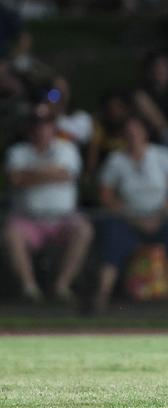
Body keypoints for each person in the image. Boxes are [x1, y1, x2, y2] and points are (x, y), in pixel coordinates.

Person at [94, 115, 168, 310]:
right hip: (128, 219)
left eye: (137, 131)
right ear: (123, 136)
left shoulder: (162, 155)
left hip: (161, 218)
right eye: (128, 132)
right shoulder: (116, 160)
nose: (133, 135)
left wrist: (165, 213)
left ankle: (167, 291)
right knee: (112, 235)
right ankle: (101, 295)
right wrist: (128, 215)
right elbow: (105, 194)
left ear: (145, 133)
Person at [3, 104, 92, 302]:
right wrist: (50, 172)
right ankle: (30, 289)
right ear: (29, 127)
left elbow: (66, 175)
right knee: (10, 233)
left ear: (53, 127)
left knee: (83, 230)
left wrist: (30, 174)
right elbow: (16, 180)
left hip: (63, 219)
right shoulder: (17, 151)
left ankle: (62, 286)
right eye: (36, 124)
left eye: (46, 124)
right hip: (28, 219)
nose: (41, 128)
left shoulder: (66, 148)